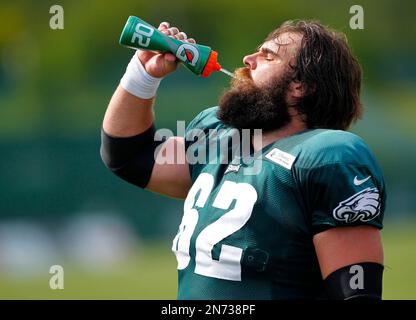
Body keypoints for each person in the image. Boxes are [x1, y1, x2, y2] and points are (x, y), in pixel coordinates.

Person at [100, 20, 386, 299]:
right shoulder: (218, 136)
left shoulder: (327, 158)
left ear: (301, 85)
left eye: (269, 55)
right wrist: (143, 75)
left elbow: (356, 293)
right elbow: (128, 154)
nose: (249, 59)